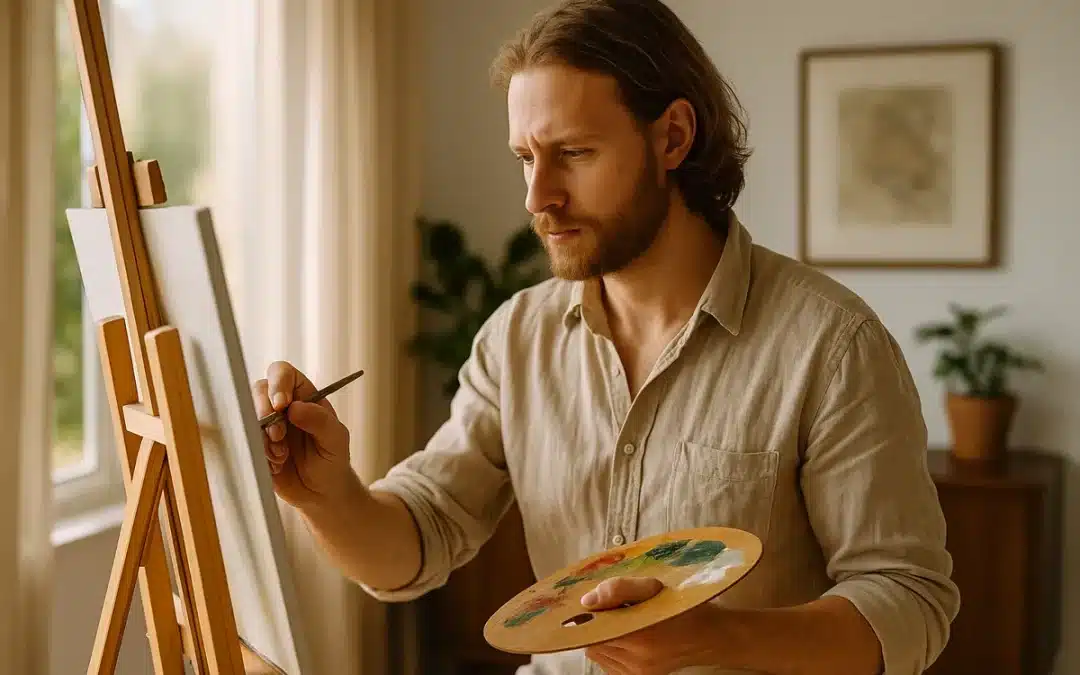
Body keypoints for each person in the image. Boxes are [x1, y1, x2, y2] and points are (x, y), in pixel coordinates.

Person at [252, 1, 960, 673]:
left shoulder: (831, 346)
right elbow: (423, 532)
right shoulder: (516, 339)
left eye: (574, 153)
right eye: (526, 158)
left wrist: (714, 635)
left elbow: (908, 601)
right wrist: (326, 493)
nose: (538, 197)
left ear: (673, 138)